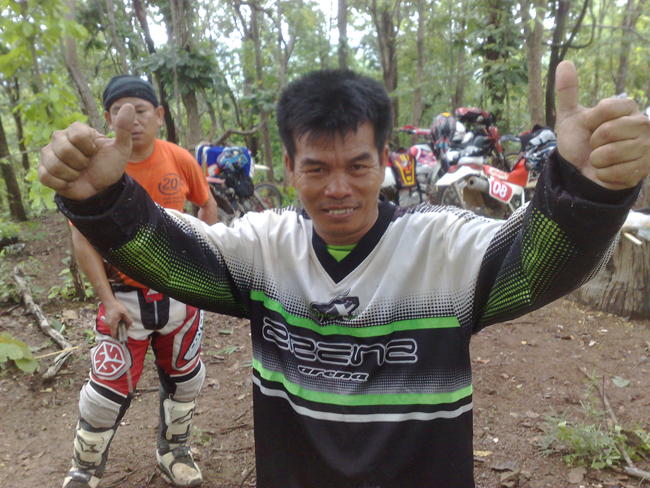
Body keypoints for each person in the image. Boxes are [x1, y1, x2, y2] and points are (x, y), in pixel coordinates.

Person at [40, 61, 650, 488]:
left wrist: (589, 192)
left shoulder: (441, 247)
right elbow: (172, 255)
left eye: (358, 166)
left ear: (384, 161)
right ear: (289, 166)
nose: (338, 189)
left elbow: (536, 265)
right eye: (316, 169)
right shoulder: (265, 249)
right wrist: (101, 200)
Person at [63, 75, 218, 488]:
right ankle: (84, 468)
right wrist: (106, 299)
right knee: (105, 392)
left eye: (140, 110)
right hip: (122, 297)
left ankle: (174, 451)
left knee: (186, 379)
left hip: (178, 292)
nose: (131, 119)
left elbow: (207, 205)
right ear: (108, 118)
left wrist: (202, 262)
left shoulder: (179, 158)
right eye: (119, 111)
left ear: (159, 115)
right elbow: (81, 238)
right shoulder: (98, 167)